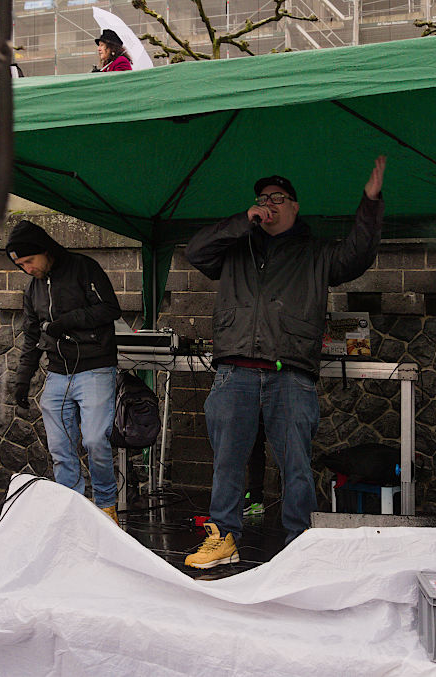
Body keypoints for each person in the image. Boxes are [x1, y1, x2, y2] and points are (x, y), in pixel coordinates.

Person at [184, 157, 387, 569]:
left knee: (295, 463)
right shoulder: (235, 247)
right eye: (263, 198)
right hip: (234, 370)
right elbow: (195, 251)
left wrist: (369, 202)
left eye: (278, 198)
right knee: (226, 463)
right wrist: (244, 220)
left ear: (295, 207)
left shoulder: (316, 254)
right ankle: (223, 538)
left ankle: (301, 545)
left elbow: (358, 255)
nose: (269, 203)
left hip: (289, 372)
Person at [6, 219, 122, 524]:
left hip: (96, 367)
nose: (27, 269)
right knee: (60, 448)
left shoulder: (84, 268)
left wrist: (68, 321)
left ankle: (107, 506)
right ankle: (72, 510)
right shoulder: (32, 289)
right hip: (58, 373)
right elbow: (32, 338)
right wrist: (22, 381)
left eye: (30, 261)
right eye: (20, 265)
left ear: (45, 250)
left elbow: (110, 309)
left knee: (96, 440)